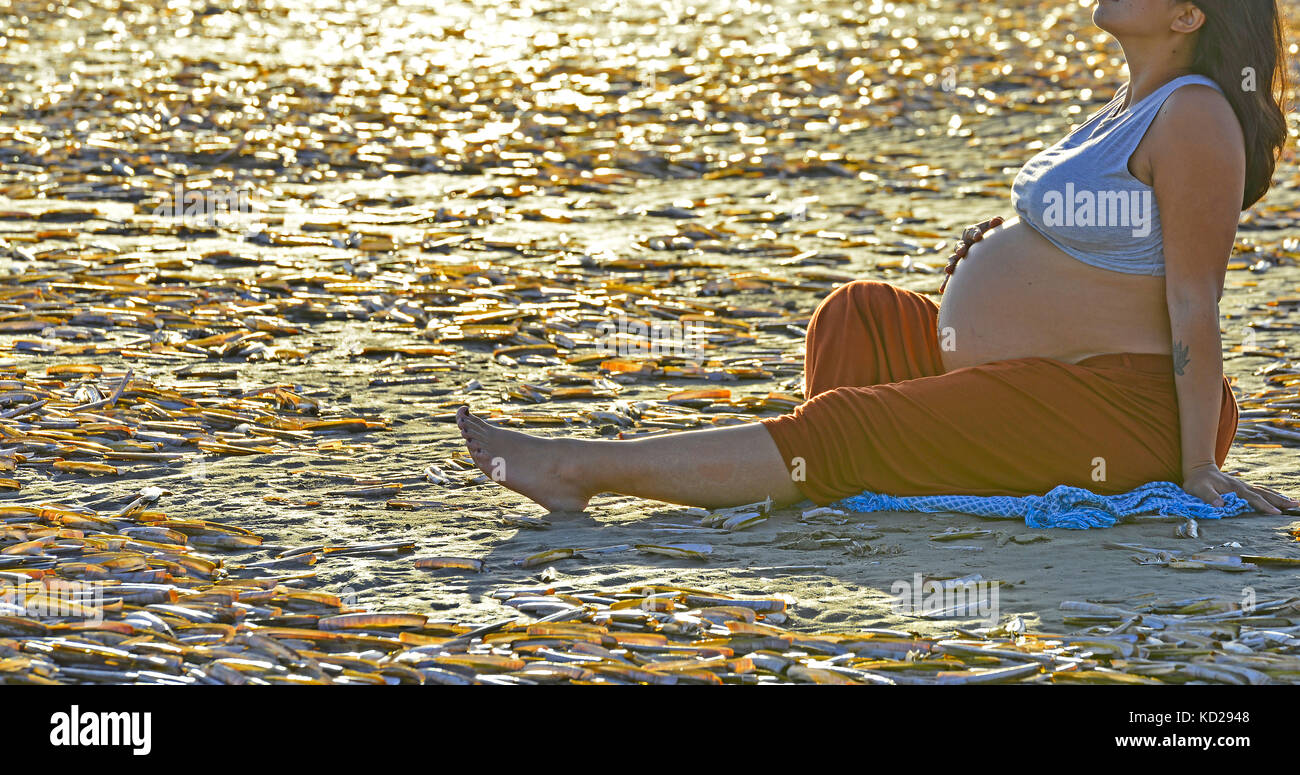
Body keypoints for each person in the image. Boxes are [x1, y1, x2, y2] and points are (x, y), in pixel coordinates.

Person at [457, 0, 1296, 516]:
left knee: (845, 427)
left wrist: (1192, 465)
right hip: (1051, 370)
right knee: (858, 316)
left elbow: (1194, 301)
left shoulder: (1196, 118)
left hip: (1130, 409)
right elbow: (1110, 248)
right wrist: (1008, 258)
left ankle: (579, 471)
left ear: (1191, 16)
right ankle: (856, 460)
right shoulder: (1130, 101)